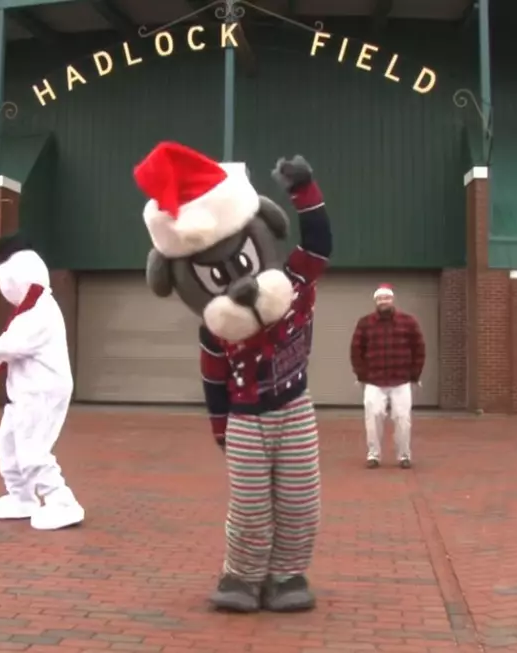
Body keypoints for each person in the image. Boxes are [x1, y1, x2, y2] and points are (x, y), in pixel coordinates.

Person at [135, 142, 331, 613]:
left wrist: (305, 190)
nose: (238, 286)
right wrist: (222, 430)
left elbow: (319, 246)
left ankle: (286, 575)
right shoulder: (215, 329)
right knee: (249, 507)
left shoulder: (295, 287)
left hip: (294, 409)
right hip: (245, 421)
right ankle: (242, 575)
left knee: (301, 501)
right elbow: (213, 382)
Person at [0, 233, 85, 531]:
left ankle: (61, 501)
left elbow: (17, 344)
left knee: (32, 449)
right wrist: (0, 356)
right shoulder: (29, 310)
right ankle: (21, 496)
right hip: (23, 393)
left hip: (42, 392)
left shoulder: (40, 310)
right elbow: (17, 347)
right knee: (8, 445)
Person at [349, 283, 426, 469]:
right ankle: (373, 455)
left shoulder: (408, 322)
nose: (384, 301)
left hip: (401, 380)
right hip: (374, 381)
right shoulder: (365, 323)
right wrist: (361, 375)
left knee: (403, 418)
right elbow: (356, 350)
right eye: (380, 299)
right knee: (373, 417)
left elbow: (419, 348)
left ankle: (404, 455)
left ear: (392, 300)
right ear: (376, 301)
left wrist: (415, 375)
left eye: (387, 298)